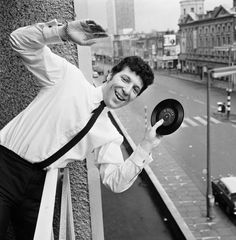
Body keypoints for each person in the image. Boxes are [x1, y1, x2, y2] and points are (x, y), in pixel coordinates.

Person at [0, 19, 163, 240]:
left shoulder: (110, 134)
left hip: (38, 185)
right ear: (110, 74)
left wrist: (145, 146)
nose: (126, 90)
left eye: (135, 89)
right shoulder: (68, 78)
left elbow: (115, 181)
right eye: (125, 79)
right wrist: (61, 32)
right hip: (5, 167)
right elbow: (18, 41)